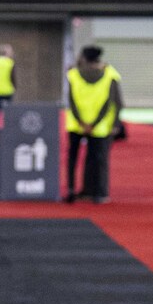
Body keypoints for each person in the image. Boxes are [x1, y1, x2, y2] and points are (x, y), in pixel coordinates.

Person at [63, 45, 121, 204]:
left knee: (72, 158)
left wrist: (81, 121)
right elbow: (111, 102)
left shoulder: (73, 74)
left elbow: (71, 100)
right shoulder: (110, 74)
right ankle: (100, 193)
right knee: (99, 160)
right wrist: (97, 123)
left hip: (76, 124)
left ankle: (71, 190)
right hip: (100, 126)